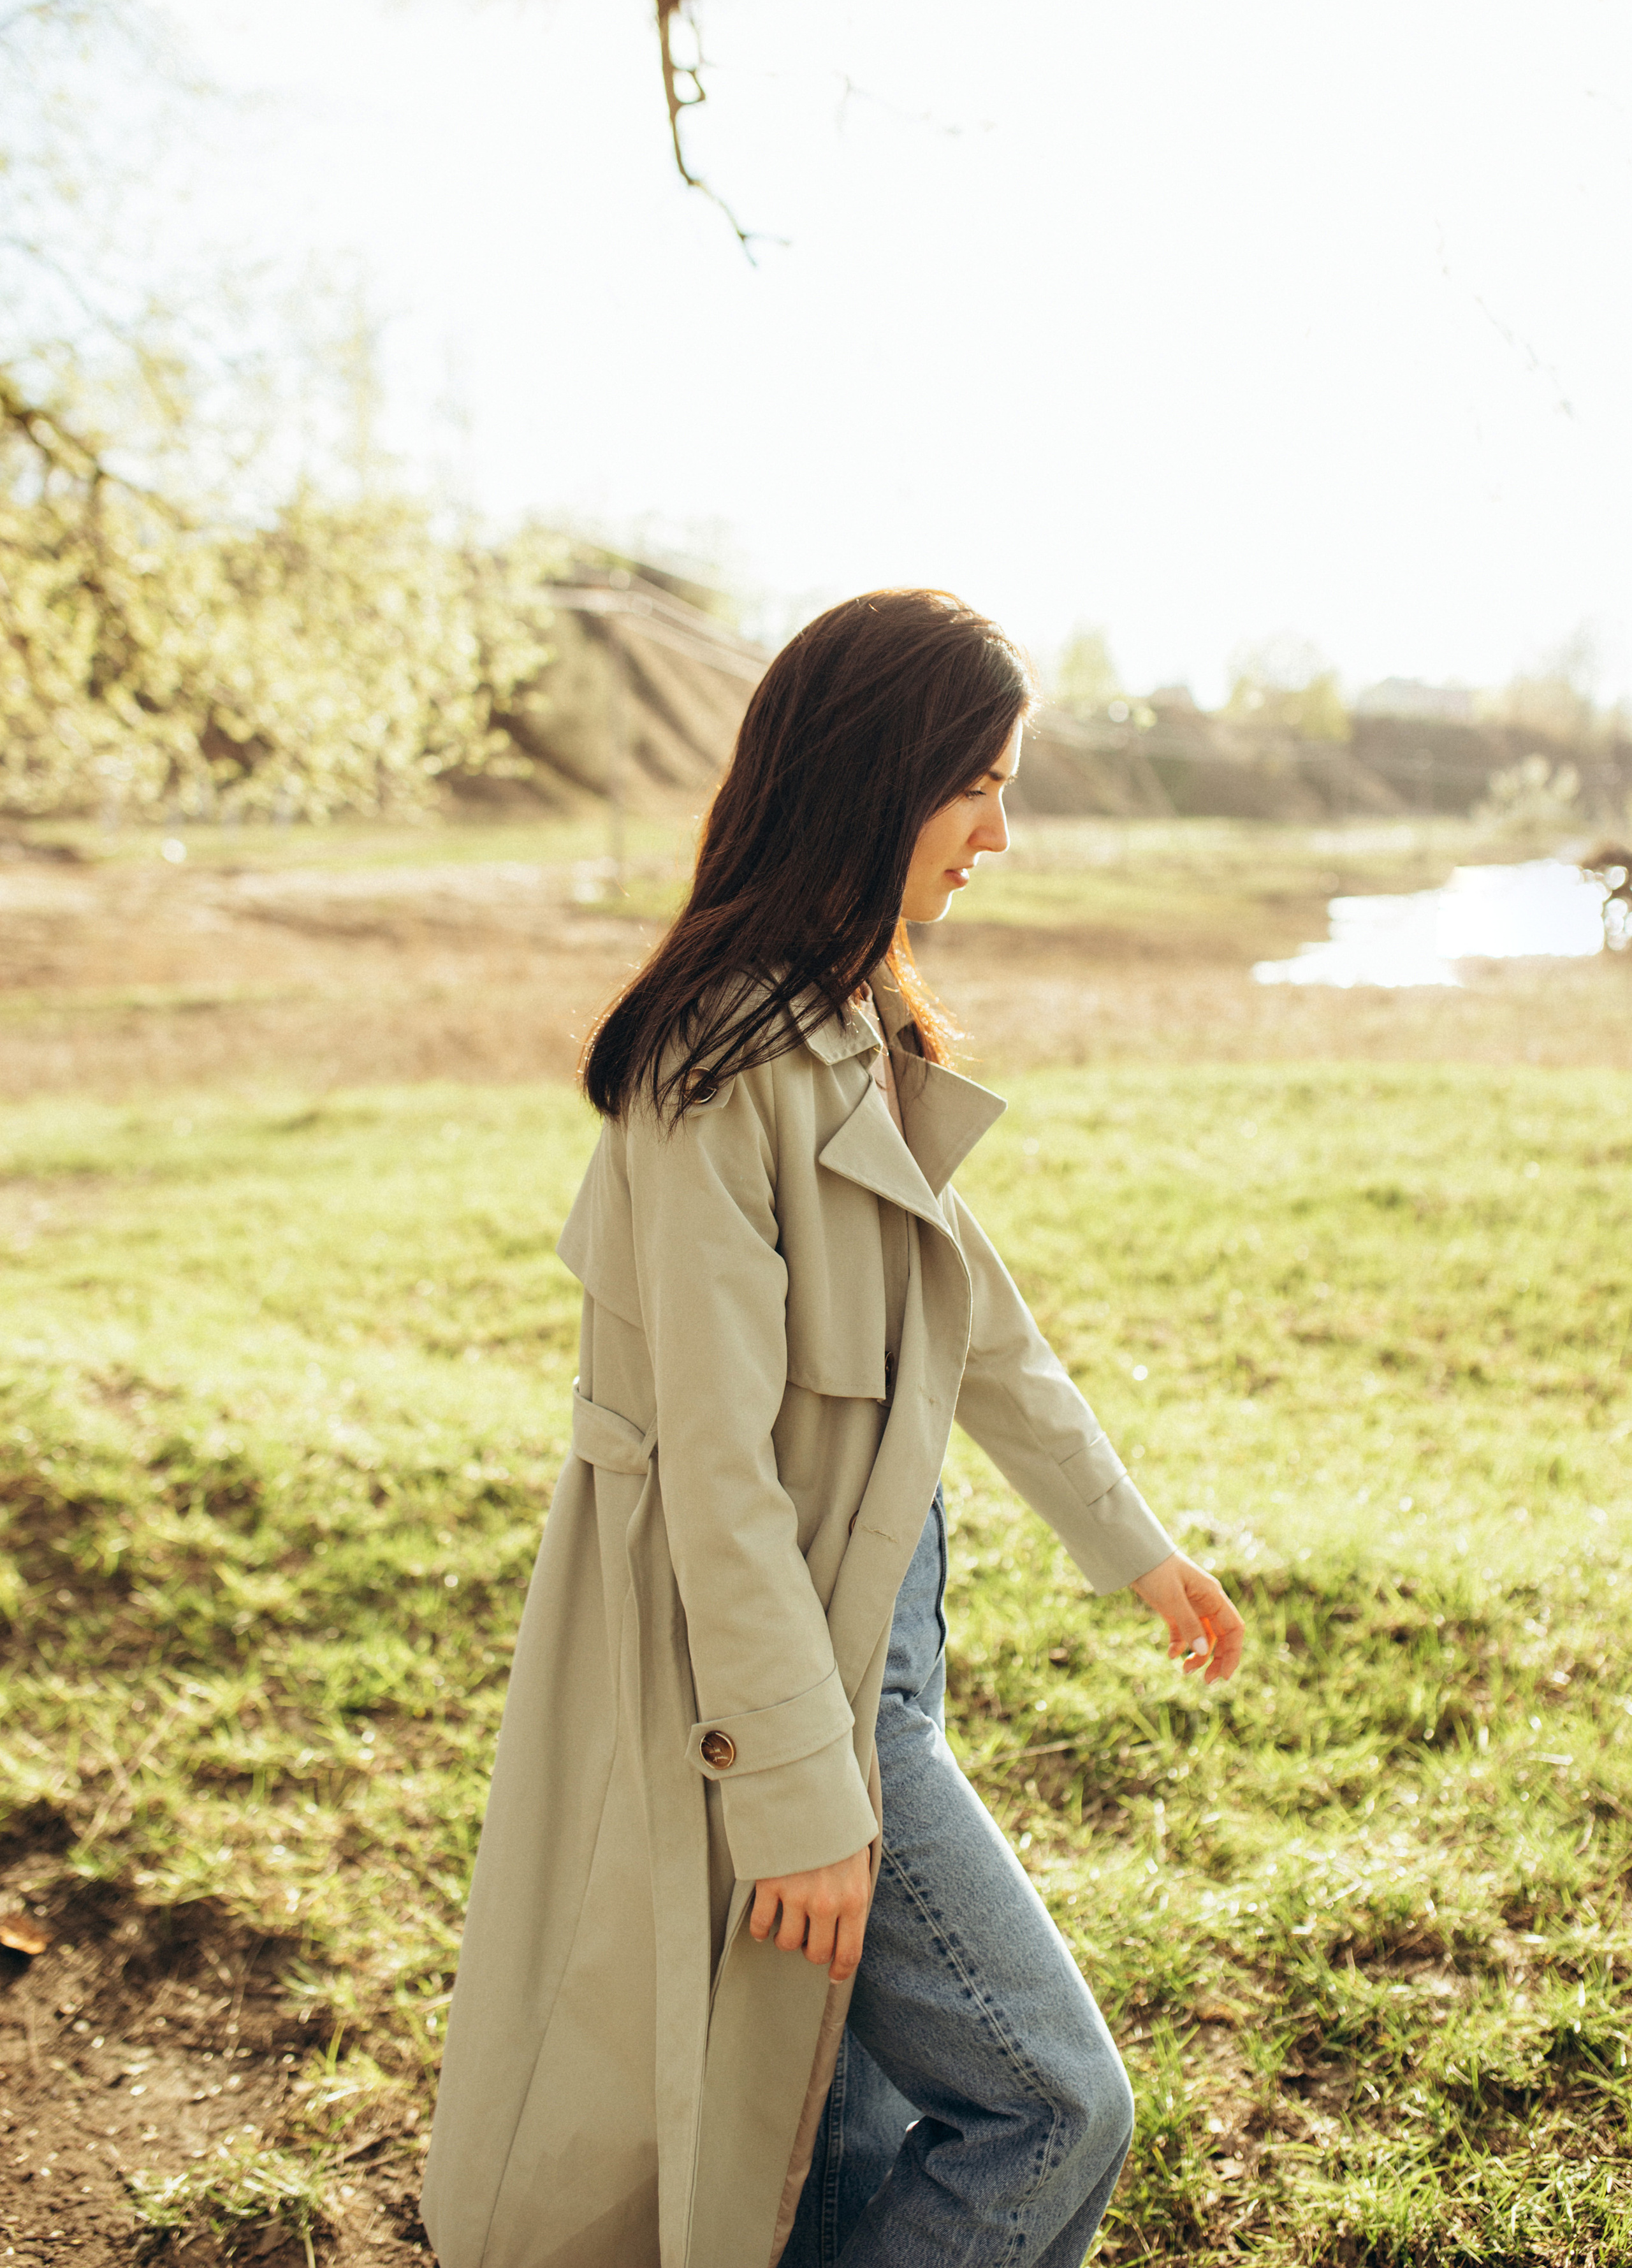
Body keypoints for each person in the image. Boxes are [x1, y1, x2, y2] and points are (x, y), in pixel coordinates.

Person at [421, 590, 1245, 2268]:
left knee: (826, 2154)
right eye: (980, 785)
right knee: (1053, 2107)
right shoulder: (716, 1071)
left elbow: (981, 1329)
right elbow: (717, 1475)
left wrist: (1135, 1549)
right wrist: (803, 1797)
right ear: (885, 778)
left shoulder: (853, 1027)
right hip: (814, 1699)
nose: (1000, 834)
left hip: (885, 1658)